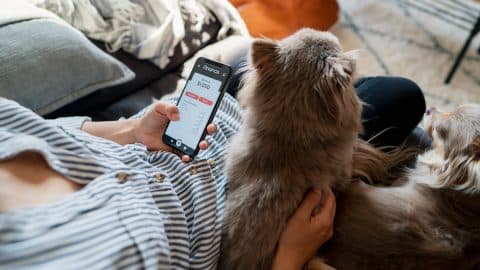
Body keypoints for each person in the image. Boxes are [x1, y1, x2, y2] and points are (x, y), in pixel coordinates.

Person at [0, 60, 425, 269]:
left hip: (204, 121)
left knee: (245, 61)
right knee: (400, 96)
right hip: (255, 196)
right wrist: (292, 257)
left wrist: (130, 130)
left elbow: (47, 128)